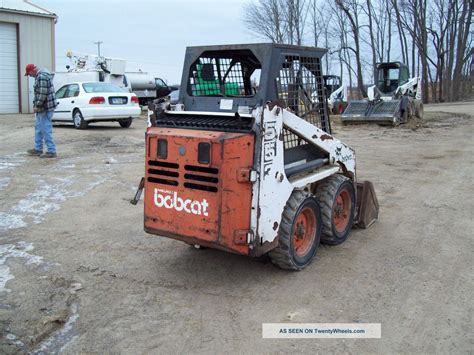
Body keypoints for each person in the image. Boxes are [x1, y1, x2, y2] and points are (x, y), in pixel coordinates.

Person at [24, 64, 58, 158]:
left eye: (29, 74)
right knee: (39, 129)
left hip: (45, 108)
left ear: (32, 71)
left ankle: (51, 151)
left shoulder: (41, 76)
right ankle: (38, 149)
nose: (30, 76)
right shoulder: (42, 75)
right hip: (44, 108)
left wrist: (38, 105)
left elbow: (43, 92)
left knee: (45, 129)